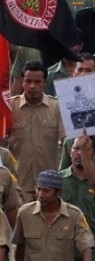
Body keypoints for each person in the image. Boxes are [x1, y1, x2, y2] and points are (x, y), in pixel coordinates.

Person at [11, 170, 94, 261]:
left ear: (58, 192)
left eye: (46, 191)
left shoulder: (74, 215)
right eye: (39, 189)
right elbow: (20, 248)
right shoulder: (25, 214)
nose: (41, 195)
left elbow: (86, 245)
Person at [8, 61, 66, 202]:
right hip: (19, 185)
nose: (32, 86)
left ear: (45, 83)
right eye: (28, 81)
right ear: (22, 82)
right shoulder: (10, 107)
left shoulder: (57, 107)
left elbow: (67, 143)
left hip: (49, 187)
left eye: (37, 82)